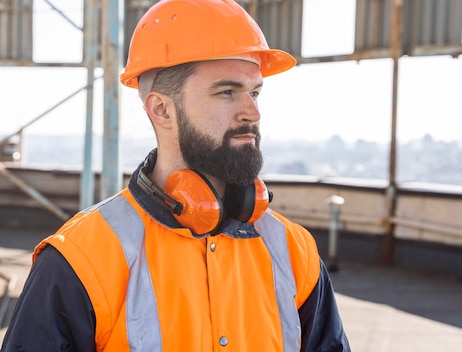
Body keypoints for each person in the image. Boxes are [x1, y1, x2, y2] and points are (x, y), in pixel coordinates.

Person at [1, 0, 351, 351]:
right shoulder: (82, 258)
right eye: (227, 92)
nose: (252, 112)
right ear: (161, 109)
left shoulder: (294, 251)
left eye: (255, 92)